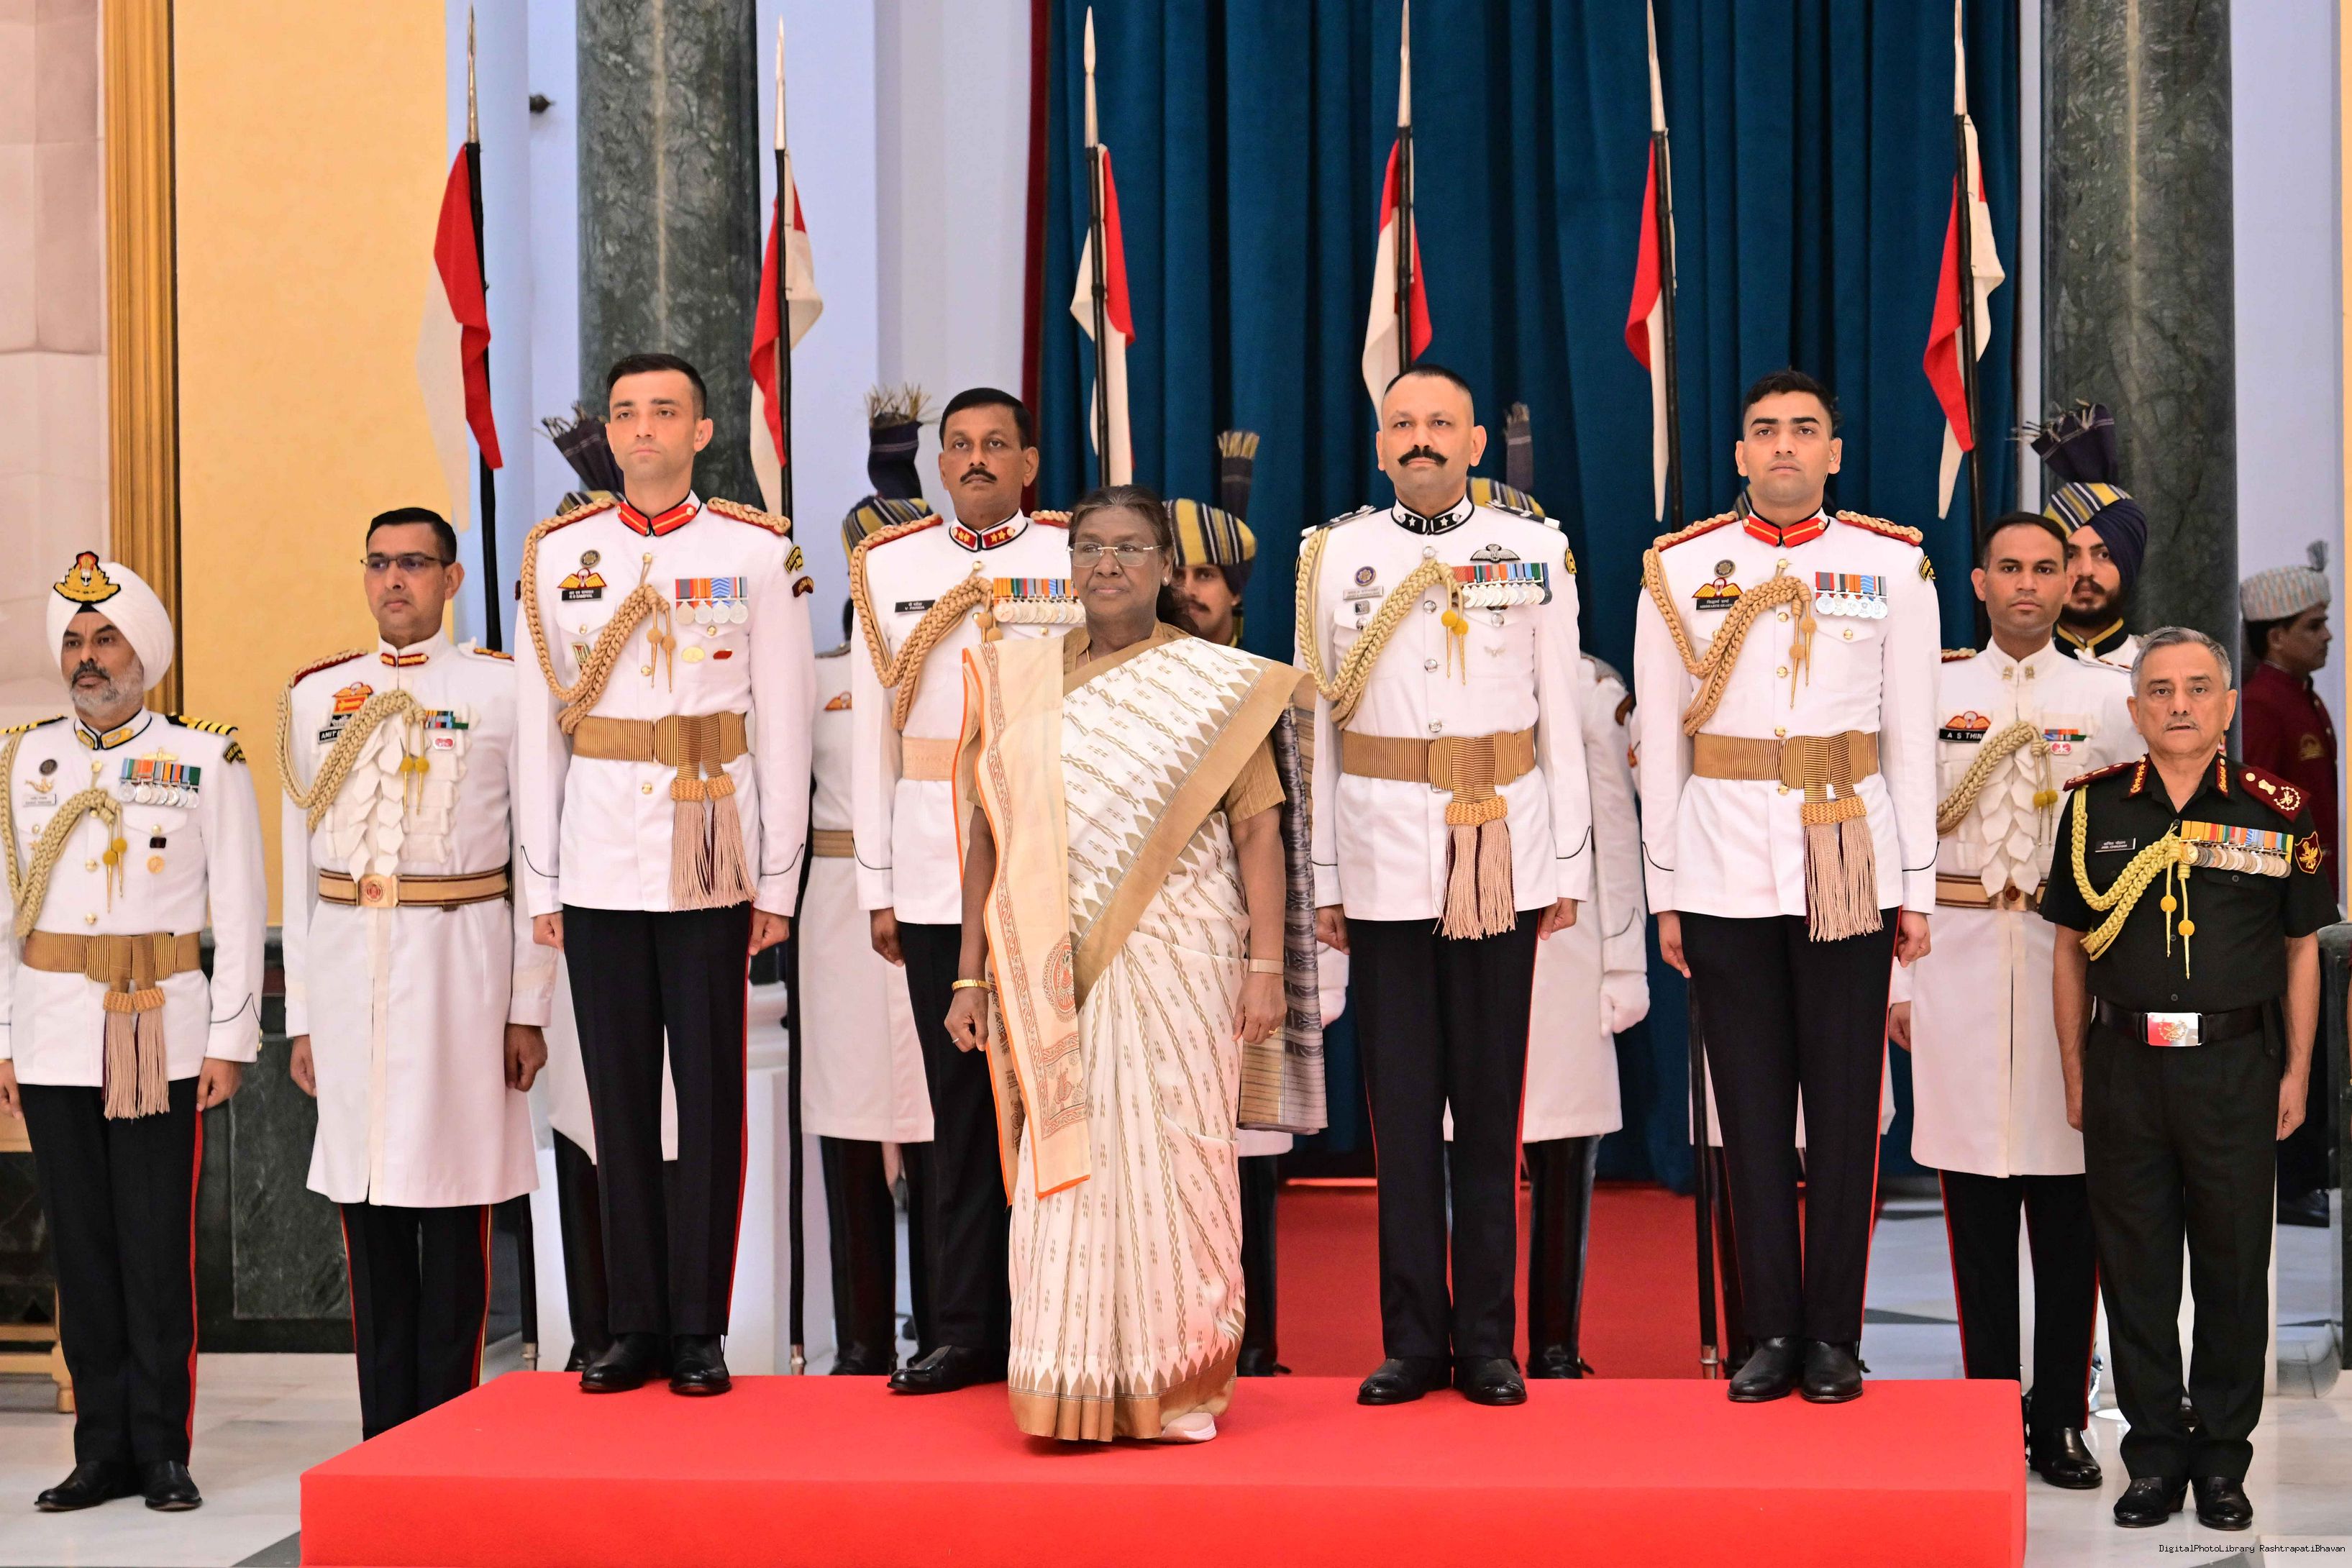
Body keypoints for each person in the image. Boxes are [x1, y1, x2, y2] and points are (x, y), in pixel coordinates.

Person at [945, 483, 1320, 1441]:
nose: (1106, 563)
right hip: (1050, 967)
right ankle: (1066, 1372)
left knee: (1179, 1161)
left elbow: (1259, 831)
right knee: (1061, 1175)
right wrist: (969, 974)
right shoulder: (1017, 677)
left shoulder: (1216, 684)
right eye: (1089, 546)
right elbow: (986, 836)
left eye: (1128, 547)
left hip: (1182, 954)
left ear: (1163, 567)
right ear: (1069, 564)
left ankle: (1176, 1379)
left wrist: (1266, 966)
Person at [515, 352, 816, 1398]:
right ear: (609, 432)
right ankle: (631, 1324)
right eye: (626, 412)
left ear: (701, 432)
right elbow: (537, 736)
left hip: (709, 855)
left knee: (710, 1097)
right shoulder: (559, 554)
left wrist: (777, 883)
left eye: (664, 412)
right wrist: (542, 885)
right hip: (599, 859)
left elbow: (785, 725)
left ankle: (699, 1326)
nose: (642, 428)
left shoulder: (757, 552)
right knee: (618, 1099)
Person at [1634, 368, 1937, 1405]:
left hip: (1847, 859)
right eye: (1764, 430)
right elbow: (1662, 746)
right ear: (1738, 453)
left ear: (1833, 453)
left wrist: (1915, 887)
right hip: (1722, 867)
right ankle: (1768, 1330)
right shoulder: (1680, 568)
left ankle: (1836, 1337)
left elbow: (1910, 739)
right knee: (1749, 1112)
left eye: (1804, 430)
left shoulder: (1890, 565)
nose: (1783, 446)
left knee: (1846, 1111)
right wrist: (1666, 890)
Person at [1299, 363, 1591, 1408]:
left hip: (1498, 854)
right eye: (1402, 423)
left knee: (1491, 1109)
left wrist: (1566, 867)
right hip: (1381, 861)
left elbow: (1562, 722)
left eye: (1440, 423)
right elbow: (1320, 733)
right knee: (1404, 1117)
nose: (1419, 438)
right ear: (1381, 443)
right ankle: (1412, 1342)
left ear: (1474, 443)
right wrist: (1325, 878)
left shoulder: (1533, 549)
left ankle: (1489, 1343)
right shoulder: (1333, 556)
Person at [2042, 626, 2328, 1532]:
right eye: (2160, 689)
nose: (2180, 705)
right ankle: (2156, 1456)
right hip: (2125, 1065)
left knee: (2235, 1268)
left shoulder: (2276, 809)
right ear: (2135, 709)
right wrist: (2076, 1068)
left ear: (2228, 704)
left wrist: (2297, 1069)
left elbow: (2302, 949)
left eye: (2199, 688)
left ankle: (2224, 1460)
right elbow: (2068, 950)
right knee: (2137, 1270)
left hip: (2235, 1067)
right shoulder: (2092, 810)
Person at [277, 508, 552, 1439]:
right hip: (350, 974)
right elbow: (299, 867)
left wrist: (527, 1006)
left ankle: (449, 1438)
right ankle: (383, 1440)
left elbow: (536, 859)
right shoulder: (318, 696)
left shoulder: (503, 690)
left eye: (415, 563)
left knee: (457, 1205)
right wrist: (302, 1016)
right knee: (368, 1215)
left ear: (451, 578)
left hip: (461, 969)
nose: (394, 579)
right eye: (379, 563)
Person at [1, 555, 264, 1512]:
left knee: (155, 1248)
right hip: (56, 1033)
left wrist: (231, 1037)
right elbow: (4, 912)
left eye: (106, 639)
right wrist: (5, 1037)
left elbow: (241, 906)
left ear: (143, 652)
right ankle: (99, 1451)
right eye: (75, 641)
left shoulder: (204, 759)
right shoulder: (23, 759)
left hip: (160, 1028)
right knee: (81, 1249)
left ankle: (160, 1449)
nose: (88, 657)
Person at [1887, 511, 2136, 1485]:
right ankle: (1988, 1408)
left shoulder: (2108, 699)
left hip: (2065, 974)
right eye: (2010, 568)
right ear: (1979, 583)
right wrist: (1898, 981)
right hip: (1953, 965)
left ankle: (2062, 1416)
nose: (2028, 584)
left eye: (2046, 567)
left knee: (2071, 1206)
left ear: (2068, 581)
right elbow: (1896, 838)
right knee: (1976, 1208)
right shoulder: (1933, 690)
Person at [849, 387, 1077, 1395]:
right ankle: (964, 1326)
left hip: (1047, 861)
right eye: (959, 446)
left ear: (1029, 463)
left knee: (1054, 1093)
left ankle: (1058, 1315)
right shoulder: (889, 568)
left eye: (996, 445)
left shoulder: (1072, 553)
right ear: (939, 464)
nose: (976, 460)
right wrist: (878, 883)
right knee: (955, 1105)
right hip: (934, 870)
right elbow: (871, 734)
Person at [1165, 486, 1295, 1377]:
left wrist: (1281, 962)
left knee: (1247, 1148)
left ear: (1237, 591)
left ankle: (1255, 1344)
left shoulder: (1266, 687)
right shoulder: (1121, 680)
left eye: (1205, 574)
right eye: (1175, 572)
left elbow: (1287, 834)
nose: (1187, 590)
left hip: (1247, 944)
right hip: (1153, 948)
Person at [806, 597, 931, 1372]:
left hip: (935, 893)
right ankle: (861, 1341)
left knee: (942, 1122)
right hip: (836, 907)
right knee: (847, 1120)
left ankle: (951, 1326)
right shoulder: (817, 679)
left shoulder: (948, 672)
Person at [2238, 551, 2340, 1227]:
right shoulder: (2262, 705)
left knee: (2321, 1041)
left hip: (2315, 898)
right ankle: (2291, 1180)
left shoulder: (2303, 696)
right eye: (2314, 625)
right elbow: (2259, 813)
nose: (2326, 636)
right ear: (2276, 636)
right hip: (2285, 905)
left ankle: (2308, 1174)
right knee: (2296, 1038)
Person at [2033, 402, 2147, 673]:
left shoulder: (2158, 673)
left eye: (2103, 555)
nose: (2085, 570)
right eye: (2070, 555)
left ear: (2128, 565)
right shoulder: (2020, 673)